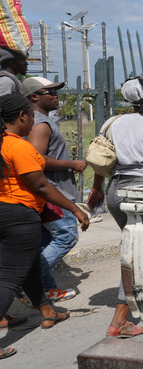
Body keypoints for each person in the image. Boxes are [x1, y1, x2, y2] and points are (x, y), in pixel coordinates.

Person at [0, 94, 89, 357]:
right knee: (9, 279)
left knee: (31, 266)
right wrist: (74, 208)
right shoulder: (20, 147)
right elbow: (40, 185)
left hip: (3, 212)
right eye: (30, 116)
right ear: (22, 117)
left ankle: (47, 311)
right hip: (19, 216)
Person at [88, 77, 143, 338]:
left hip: (117, 192)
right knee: (140, 253)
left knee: (134, 248)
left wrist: (97, 188)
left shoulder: (112, 123)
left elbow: (102, 159)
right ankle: (119, 321)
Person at [23, 76, 86, 302]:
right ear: (34, 97)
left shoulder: (38, 120)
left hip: (47, 192)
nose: (56, 96)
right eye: (50, 92)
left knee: (43, 243)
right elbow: (35, 159)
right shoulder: (40, 123)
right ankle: (26, 281)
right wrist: (72, 164)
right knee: (66, 236)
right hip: (53, 192)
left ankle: (45, 290)